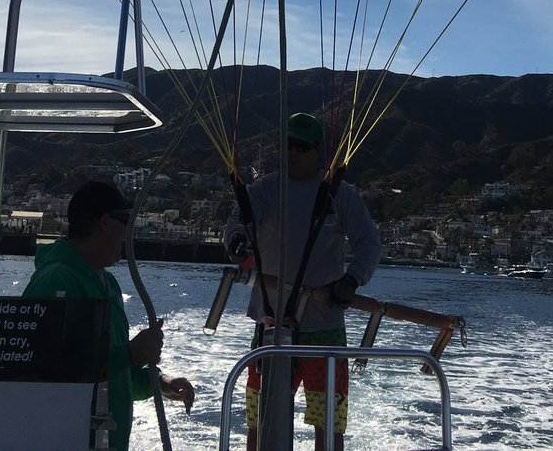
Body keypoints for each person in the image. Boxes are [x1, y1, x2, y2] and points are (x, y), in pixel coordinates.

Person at [223, 113, 381, 451]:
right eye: (287, 145)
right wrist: (237, 240)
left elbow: (369, 243)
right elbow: (237, 220)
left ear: (317, 150)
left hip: (324, 330)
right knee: (259, 421)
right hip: (270, 325)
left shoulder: (341, 195)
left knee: (328, 424)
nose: (292, 152)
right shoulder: (266, 188)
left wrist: (352, 280)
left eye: (301, 146)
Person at [23, 179, 194, 451]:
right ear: (105, 222)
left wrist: (159, 382)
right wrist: (130, 354)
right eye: (125, 221)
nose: (128, 233)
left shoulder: (108, 283)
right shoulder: (56, 279)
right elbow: (46, 369)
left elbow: (116, 373)